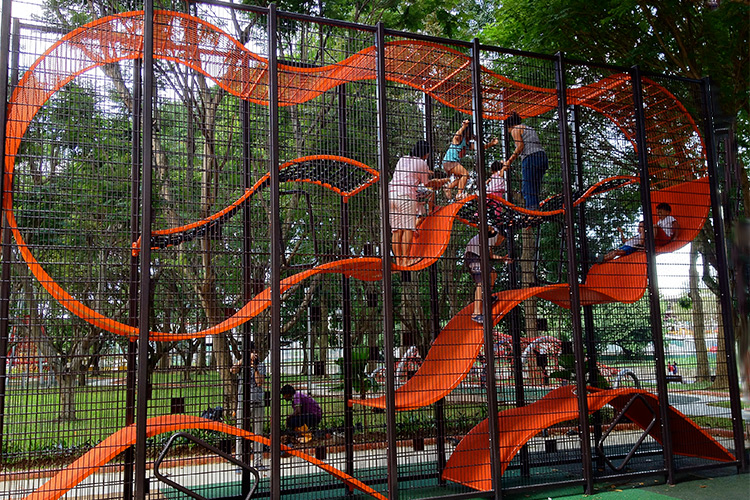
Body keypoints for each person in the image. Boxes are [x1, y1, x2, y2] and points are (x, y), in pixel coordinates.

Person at [389, 140, 449, 267]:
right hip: (406, 196)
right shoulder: (422, 163)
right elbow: (427, 184)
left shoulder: (403, 159)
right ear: (426, 153)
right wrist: (441, 181)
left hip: (391, 195)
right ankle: (405, 260)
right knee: (408, 229)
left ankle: (399, 261)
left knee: (396, 231)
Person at [442, 119, 499, 201]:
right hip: (450, 161)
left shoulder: (468, 144)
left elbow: (480, 148)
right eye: (472, 134)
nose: (472, 136)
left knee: (464, 177)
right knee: (465, 174)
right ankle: (459, 194)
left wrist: (491, 144)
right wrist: (463, 127)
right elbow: (456, 136)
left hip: (451, 162)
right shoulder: (460, 139)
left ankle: (448, 187)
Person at [231, 342, 267, 470]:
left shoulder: (261, 365)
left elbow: (259, 382)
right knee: (240, 432)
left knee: (258, 433)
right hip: (243, 401)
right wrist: (243, 361)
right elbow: (233, 370)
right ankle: (239, 462)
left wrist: (255, 367)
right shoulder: (241, 364)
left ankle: (258, 462)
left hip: (257, 401)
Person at [502, 112, 548, 209]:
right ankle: (535, 211)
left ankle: (532, 213)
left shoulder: (515, 129)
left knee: (528, 188)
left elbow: (520, 146)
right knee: (534, 187)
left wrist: (509, 162)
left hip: (530, 158)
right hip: (542, 157)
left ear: (509, 126)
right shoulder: (528, 128)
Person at [464, 226, 509, 324]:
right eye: (502, 240)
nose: (500, 243)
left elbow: (490, 256)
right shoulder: (493, 233)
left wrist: (502, 258)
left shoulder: (490, 242)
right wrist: (487, 226)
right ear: (500, 236)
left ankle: (487, 297)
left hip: (479, 258)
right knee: (481, 282)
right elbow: (488, 228)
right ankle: (476, 313)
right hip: (472, 256)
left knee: (493, 274)